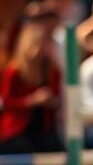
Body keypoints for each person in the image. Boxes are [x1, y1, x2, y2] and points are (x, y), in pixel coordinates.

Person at [0, 16, 62, 154]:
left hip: (44, 129)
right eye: (37, 43)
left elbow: (58, 97)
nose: (40, 48)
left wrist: (50, 100)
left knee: (55, 147)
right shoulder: (15, 71)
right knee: (22, 148)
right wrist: (31, 101)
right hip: (18, 130)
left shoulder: (51, 70)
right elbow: (5, 102)